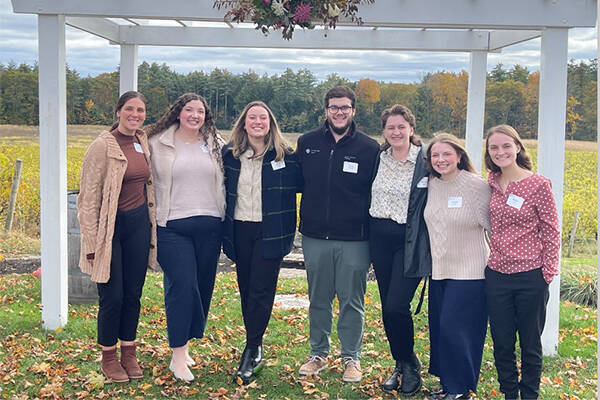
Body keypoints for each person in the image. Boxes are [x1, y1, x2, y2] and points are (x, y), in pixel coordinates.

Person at [295, 86, 380, 383]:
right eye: (334, 107)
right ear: (326, 110)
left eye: (344, 107)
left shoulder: (370, 149)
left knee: (351, 301)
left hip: (355, 239)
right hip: (315, 236)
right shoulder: (307, 143)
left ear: (353, 110)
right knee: (318, 299)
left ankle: (351, 358)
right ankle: (318, 353)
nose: (339, 112)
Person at [77, 91, 157, 383]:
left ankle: (129, 352)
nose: (135, 114)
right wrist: (91, 243)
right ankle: (108, 357)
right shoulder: (102, 146)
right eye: (129, 109)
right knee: (112, 296)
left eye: (140, 110)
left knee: (133, 295)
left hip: (138, 227)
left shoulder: (142, 142)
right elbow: (87, 199)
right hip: (110, 231)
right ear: (118, 111)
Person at [146, 93, 226, 382]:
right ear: (178, 113)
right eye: (189, 110)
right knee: (183, 286)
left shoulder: (215, 143)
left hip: (210, 226)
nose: (195, 115)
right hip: (171, 227)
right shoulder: (158, 143)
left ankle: (185, 344)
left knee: (201, 288)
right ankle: (177, 357)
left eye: (200, 111)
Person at [222, 101, 301, 384]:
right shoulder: (229, 155)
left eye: (263, 118)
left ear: (271, 123)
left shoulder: (286, 156)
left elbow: (309, 185)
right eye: (252, 117)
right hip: (239, 230)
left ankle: (253, 347)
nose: (257, 122)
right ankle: (253, 340)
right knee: (246, 288)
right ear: (244, 123)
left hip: (272, 232)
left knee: (261, 289)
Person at [484, 125, 560, 400]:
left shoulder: (538, 184)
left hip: (531, 276)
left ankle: (529, 394)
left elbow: (552, 230)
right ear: (489, 153)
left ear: (517, 147)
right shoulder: (491, 182)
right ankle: (509, 394)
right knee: (502, 343)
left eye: (506, 146)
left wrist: (547, 273)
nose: (500, 152)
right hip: (496, 275)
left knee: (529, 344)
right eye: (494, 147)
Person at [368, 104, 431, 396]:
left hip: (410, 241)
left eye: (401, 127)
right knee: (388, 309)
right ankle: (401, 362)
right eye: (391, 127)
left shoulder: (426, 160)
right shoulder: (378, 159)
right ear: (384, 131)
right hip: (379, 239)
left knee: (397, 305)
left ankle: (410, 364)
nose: (396, 132)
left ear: (411, 129)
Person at [424, 133, 492, 400]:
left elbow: (493, 227)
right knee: (441, 328)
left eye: (446, 154)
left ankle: (461, 389)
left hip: (471, 272)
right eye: (435, 155)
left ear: (459, 156)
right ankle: (448, 384)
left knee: (457, 329)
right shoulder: (431, 184)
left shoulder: (475, 186)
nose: (441, 160)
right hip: (440, 270)